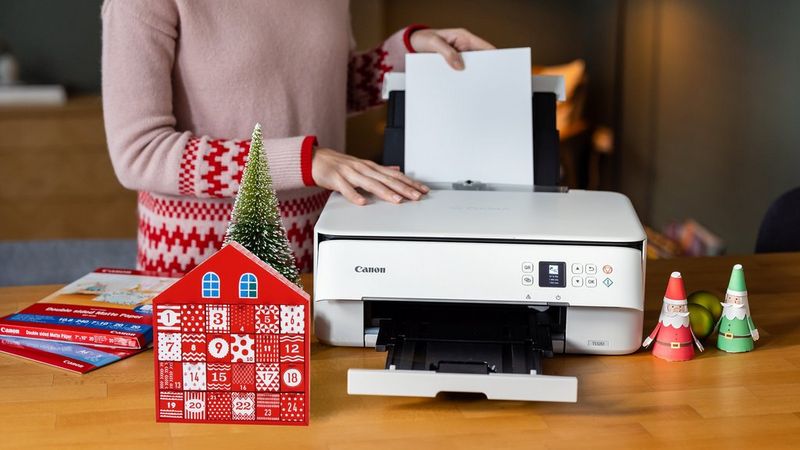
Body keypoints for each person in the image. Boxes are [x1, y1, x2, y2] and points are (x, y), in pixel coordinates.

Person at [101, 1, 494, 276]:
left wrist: (409, 53)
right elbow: (140, 153)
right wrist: (306, 161)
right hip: (202, 261)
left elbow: (324, 89)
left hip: (317, 248)